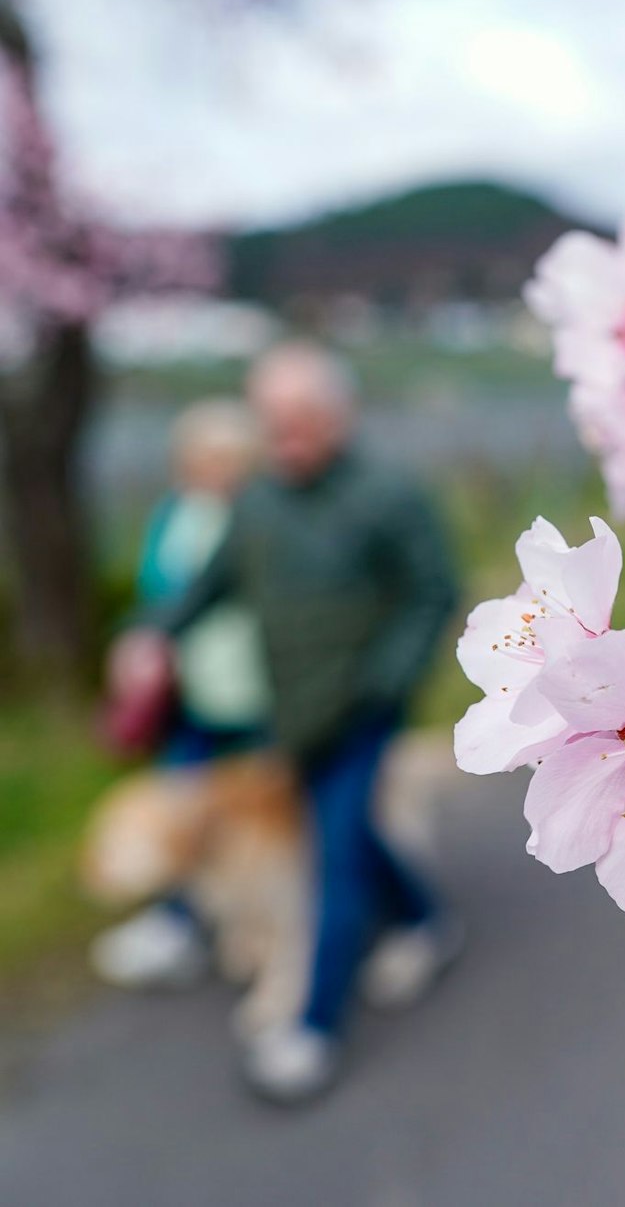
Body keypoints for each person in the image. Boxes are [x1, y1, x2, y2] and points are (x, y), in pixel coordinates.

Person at [117, 342, 462, 1105]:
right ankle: (424, 919)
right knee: (354, 834)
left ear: (339, 415)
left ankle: (311, 1027)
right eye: (272, 420)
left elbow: (434, 593)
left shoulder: (389, 494)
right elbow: (209, 586)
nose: (286, 436)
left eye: (301, 418)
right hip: (291, 711)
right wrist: (152, 635)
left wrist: (385, 681)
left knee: (333, 857)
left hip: (362, 709)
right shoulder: (257, 502)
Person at [92, 399, 271, 990]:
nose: (212, 469)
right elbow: (159, 593)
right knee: (181, 813)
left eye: (224, 458)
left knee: (257, 820)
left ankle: (257, 924)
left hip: (256, 694)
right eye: (201, 458)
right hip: (192, 695)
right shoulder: (174, 514)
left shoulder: (263, 514)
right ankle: (183, 919)